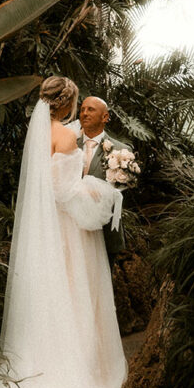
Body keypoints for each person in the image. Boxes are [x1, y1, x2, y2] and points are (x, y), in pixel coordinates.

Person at [0, 76, 127, 388]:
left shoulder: (36, 133)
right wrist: (103, 194)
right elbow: (67, 195)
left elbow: (42, 190)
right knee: (72, 299)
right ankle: (77, 370)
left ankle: (45, 362)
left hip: (42, 241)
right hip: (68, 234)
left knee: (48, 302)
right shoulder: (67, 135)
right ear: (70, 102)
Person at [77, 96, 133, 265]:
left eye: (91, 109)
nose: (84, 113)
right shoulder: (68, 144)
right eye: (82, 109)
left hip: (103, 231)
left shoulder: (121, 150)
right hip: (71, 230)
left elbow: (123, 191)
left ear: (105, 117)